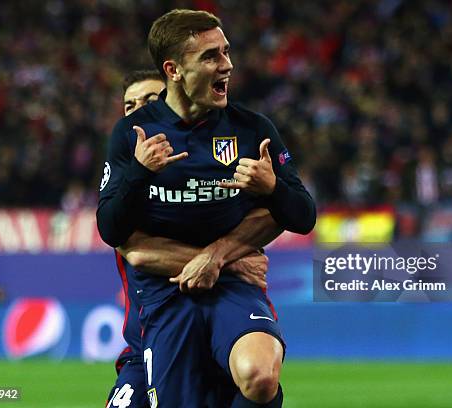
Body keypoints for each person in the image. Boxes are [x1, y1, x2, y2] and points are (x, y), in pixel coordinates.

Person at [97, 9, 316, 408]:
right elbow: (112, 231)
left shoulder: (252, 129)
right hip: (166, 293)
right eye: (211, 56)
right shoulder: (134, 133)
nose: (227, 65)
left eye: (227, 52)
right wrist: (139, 173)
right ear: (174, 70)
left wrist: (272, 189)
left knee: (261, 377)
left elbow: (302, 215)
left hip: (234, 289)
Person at [106, 69, 278, 408]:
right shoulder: (123, 186)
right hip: (145, 345)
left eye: (149, 101)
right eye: (130, 105)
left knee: (257, 378)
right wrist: (228, 260)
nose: (139, 110)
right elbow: (137, 252)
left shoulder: (212, 174)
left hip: (212, 322)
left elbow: (274, 214)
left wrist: (216, 258)